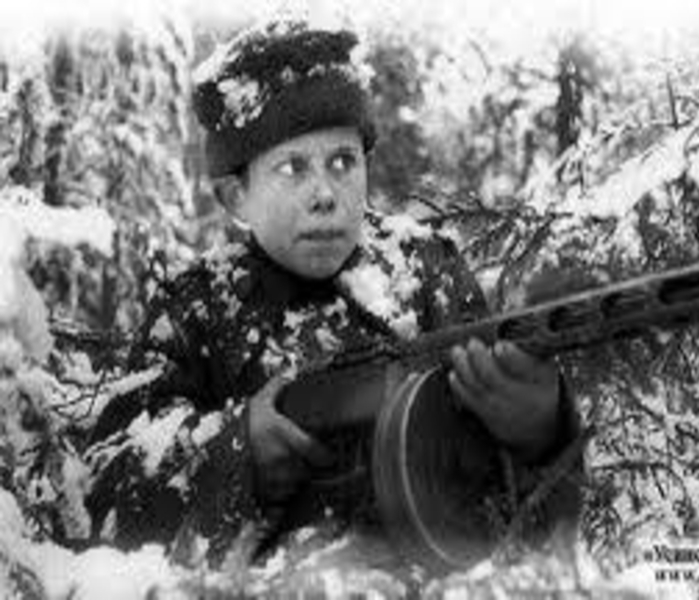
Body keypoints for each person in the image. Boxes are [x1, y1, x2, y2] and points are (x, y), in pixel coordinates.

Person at [85, 19, 581, 570]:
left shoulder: (426, 271)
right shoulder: (196, 308)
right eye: (292, 168)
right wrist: (240, 449)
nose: (325, 194)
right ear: (235, 197)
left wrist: (540, 433)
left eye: (343, 162)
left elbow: (529, 533)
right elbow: (106, 501)